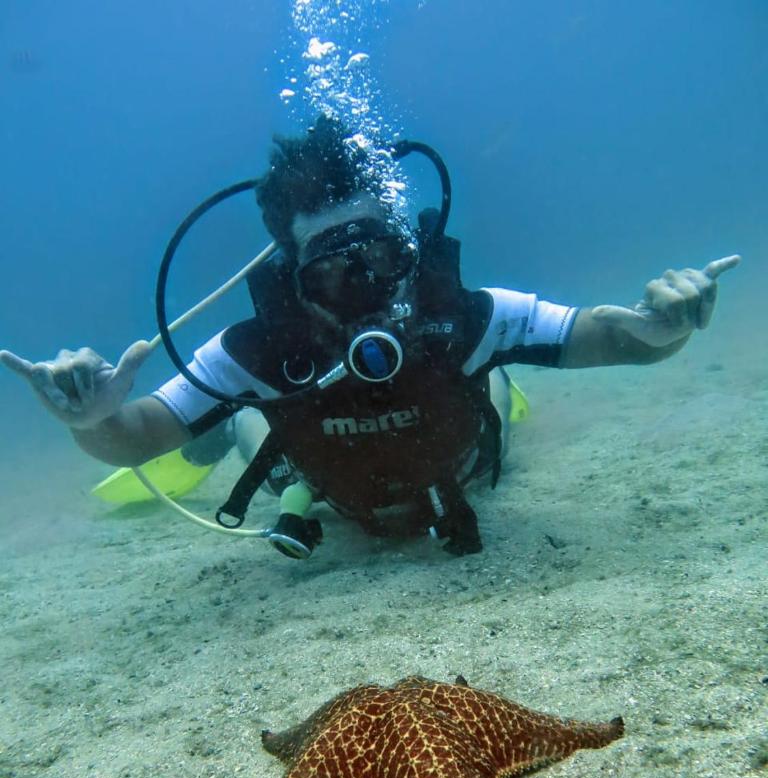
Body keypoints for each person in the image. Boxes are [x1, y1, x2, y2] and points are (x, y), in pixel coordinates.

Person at [0, 117, 740, 559]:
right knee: (255, 424)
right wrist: (92, 419)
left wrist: (661, 325)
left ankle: (502, 383)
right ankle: (227, 431)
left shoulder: (468, 317)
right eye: (334, 274)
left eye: (381, 260)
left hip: (464, 466)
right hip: (326, 488)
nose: (369, 292)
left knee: (496, 382)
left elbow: (613, 338)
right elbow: (131, 437)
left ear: (408, 250)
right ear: (292, 276)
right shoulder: (255, 351)